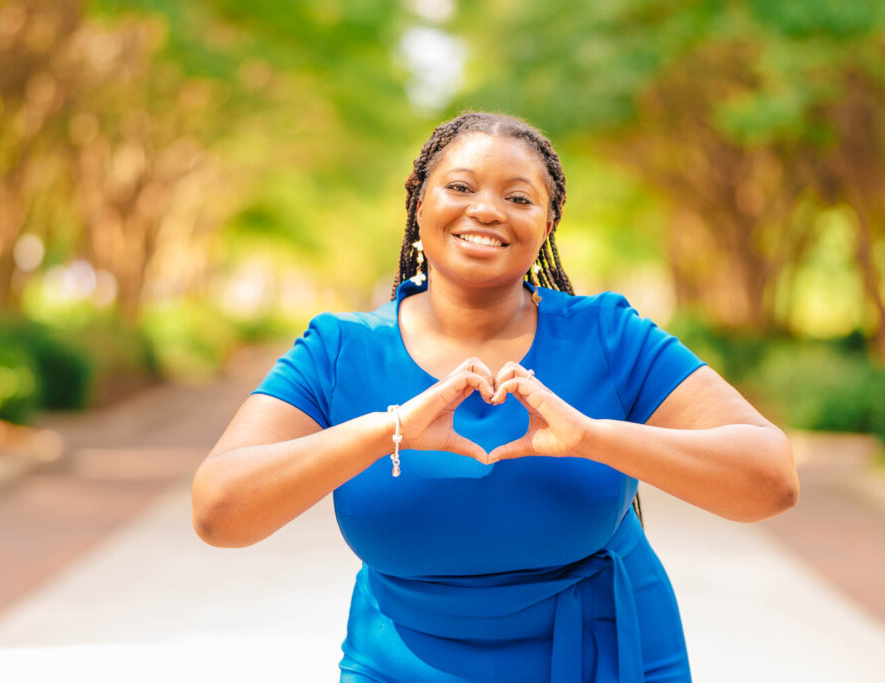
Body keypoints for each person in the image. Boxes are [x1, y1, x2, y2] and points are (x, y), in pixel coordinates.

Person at [191, 112, 799, 682]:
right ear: (419, 202)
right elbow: (219, 513)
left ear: (547, 224)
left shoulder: (609, 335)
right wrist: (387, 431)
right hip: (397, 662)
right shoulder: (340, 349)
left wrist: (594, 439)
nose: (487, 210)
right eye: (460, 187)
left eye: (518, 197)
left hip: (601, 654)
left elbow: (770, 480)